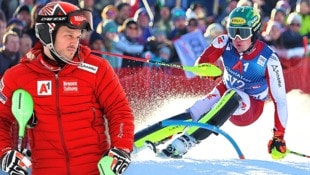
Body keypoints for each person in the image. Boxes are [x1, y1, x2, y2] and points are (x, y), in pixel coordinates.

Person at [0, 1, 134, 175]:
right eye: (68, 35)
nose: (74, 43)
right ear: (46, 34)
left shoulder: (98, 68)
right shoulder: (17, 76)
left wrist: (121, 147)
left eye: (77, 37)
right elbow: (1, 119)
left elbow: (119, 111)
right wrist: (5, 152)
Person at [159, 6, 288, 161]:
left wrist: (278, 136)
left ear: (254, 33)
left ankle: (188, 140)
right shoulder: (224, 41)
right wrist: (208, 70)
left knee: (233, 95)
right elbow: (201, 63)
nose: (237, 39)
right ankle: (161, 133)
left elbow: (280, 100)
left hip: (250, 107)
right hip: (226, 89)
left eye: (243, 33)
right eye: (233, 32)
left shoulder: (269, 59)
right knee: (197, 108)